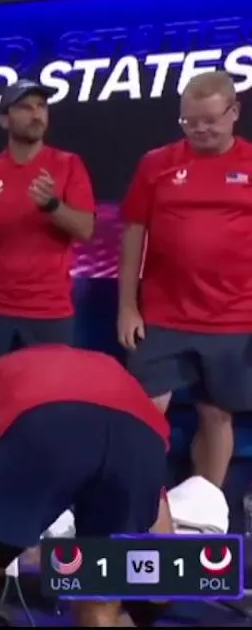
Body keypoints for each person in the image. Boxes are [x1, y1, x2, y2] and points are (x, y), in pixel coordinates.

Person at [0, 345, 171, 627]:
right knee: (99, 599)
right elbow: (163, 558)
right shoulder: (113, 374)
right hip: (141, 444)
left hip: (48, 423)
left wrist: (13, 520)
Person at [119, 70, 252, 488]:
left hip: (233, 318)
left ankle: (206, 506)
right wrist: (128, 306)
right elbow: (133, 233)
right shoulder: (156, 163)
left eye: (209, 120)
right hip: (163, 316)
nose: (199, 129)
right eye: (189, 121)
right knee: (143, 411)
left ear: (234, 112)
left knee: (216, 414)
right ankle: (142, 503)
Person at [0, 81, 96, 371]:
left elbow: (85, 229)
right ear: (4, 119)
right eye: (25, 107)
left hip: (49, 309)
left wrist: (52, 206)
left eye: (41, 106)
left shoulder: (68, 164)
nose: (36, 114)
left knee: (48, 395)